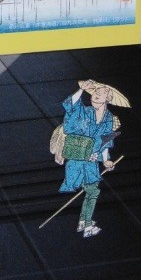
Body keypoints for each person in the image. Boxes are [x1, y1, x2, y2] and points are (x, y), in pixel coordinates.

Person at [52, 79, 128, 237]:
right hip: (78, 159)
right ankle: (87, 225)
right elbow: (71, 106)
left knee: (92, 192)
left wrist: (106, 160)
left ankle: (83, 222)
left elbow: (105, 141)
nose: (96, 95)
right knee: (92, 191)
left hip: (92, 161)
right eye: (95, 92)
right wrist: (81, 90)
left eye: (101, 94)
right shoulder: (85, 112)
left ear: (108, 99)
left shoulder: (109, 119)